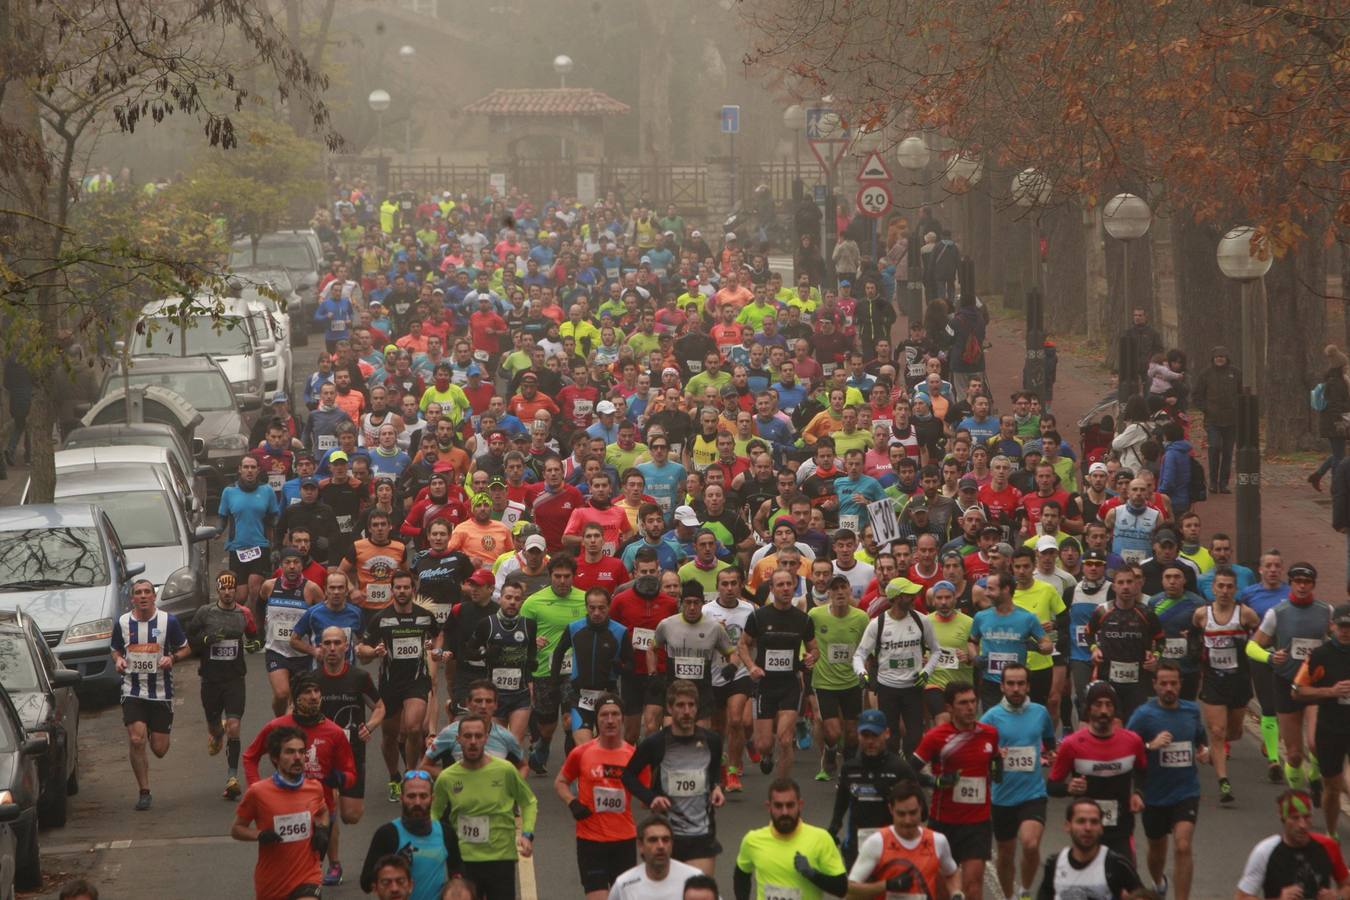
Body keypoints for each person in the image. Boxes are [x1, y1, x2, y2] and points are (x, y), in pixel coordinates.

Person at [242, 672, 358, 886]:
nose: (314, 696)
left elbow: (351, 774)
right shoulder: (278, 726)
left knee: (309, 872)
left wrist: (340, 778)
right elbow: (250, 756)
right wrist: (256, 787)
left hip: (320, 808)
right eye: (307, 692)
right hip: (284, 806)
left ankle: (332, 864)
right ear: (296, 699)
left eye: (317, 691)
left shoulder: (334, 732)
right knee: (287, 867)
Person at [622, 679, 725, 875]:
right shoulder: (656, 743)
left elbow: (712, 773)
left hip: (701, 835)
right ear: (669, 708)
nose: (686, 711)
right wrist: (651, 798)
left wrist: (716, 787)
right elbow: (628, 776)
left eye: (691, 705)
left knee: (699, 894)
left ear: (697, 708)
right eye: (680, 705)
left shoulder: (712, 741)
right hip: (666, 836)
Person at [429, 714, 538, 900]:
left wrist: (527, 834)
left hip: (501, 859)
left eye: (478, 736)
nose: (473, 742)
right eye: (467, 736)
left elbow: (528, 802)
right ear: (458, 740)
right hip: (464, 860)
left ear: (486, 739)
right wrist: (433, 843)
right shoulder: (447, 777)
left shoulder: (505, 770)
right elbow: (434, 812)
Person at [1126, 661, 1208, 900]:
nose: (1169, 688)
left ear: (1180, 684)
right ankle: (1158, 882)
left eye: (1173, 683)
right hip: (1155, 793)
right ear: (1155, 685)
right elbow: (1127, 747)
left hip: (1186, 791)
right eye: (1164, 684)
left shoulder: (1192, 710)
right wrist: (1151, 745)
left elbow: (1200, 739)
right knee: (1157, 849)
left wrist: (1204, 751)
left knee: (1183, 846)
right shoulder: (1143, 715)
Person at [1250, 561, 1333, 793]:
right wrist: (1269, 657)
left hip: (1316, 683)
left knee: (1316, 744)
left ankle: (1315, 774)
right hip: (1286, 683)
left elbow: (1337, 640)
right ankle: (1298, 793)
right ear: (1291, 584)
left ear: (1313, 585)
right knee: (1295, 755)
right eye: (1298, 582)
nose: (1302, 587)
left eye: (1307, 582)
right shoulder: (1277, 613)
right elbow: (1252, 646)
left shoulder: (1326, 611)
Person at [357, 570, 439, 802]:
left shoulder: (425, 617)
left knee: (414, 728)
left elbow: (438, 636)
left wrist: (434, 649)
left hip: (416, 680)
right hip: (390, 683)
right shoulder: (380, 618)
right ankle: (394, 776)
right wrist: (374, 652)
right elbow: (362, 650)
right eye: (398, 588)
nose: (402, 592)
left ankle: (411, 774)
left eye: (406, 587)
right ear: (392, 590)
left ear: (414, 590)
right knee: (390, 735)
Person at [912, 681, 999, 900]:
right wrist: (936, 781)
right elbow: (909, 771)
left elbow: (995, 763)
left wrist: (999, 769)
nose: (970, 707)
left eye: (972, 702)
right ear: (949, 708)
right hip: (944, 822)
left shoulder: (989, 734)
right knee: (941, 887)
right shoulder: (936, 737)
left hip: (978, 822)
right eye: (963, 703)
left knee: (973, 882)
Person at [110, 578, 189, 811]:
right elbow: (115, 649)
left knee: (160, 749)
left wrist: (172, 658)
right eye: (138, 593)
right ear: (132, 598)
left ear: (154, 596)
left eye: (147, 592)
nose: (143, 596)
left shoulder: (168, 621)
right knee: (136, 739)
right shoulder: (123, 623)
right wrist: (119, 660)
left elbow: (186, 648)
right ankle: (144, 791)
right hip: (132, 690)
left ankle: (154, 728)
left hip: (161, 692)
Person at [1048, 681, 1147, 862]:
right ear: (1088, 709)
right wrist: (1069, 788)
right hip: (1086, 832)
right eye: (1098, 704)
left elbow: (1144, 771)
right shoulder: (1072, 745)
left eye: (1108, 705)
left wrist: (1139, 793)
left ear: (1115, 709)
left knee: (1124, 884)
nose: (1103, 710)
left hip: (1121, 829)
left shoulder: (1132, 742)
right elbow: (1051, 786)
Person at [980, 663, 1055, 900]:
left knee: (1030, 843)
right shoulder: (991, 717)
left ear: (1028, 686)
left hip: (1033, 793)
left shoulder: (1040, 712)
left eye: (1020, 683)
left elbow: (1049, 740)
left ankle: (1024, 890)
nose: (1015, 688)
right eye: (1010, 683)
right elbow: (979, 750)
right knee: (1005, 853)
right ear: (1002, 686)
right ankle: (1009, 895)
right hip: (1002, 795)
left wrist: (1051, 754)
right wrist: (994, 754)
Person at [231, 725, 330, 900]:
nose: (297, 757)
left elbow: (323, 812)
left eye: (301, 751)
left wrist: (322, 829)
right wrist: (260, 835)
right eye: (290, 752)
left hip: (308, 876)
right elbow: (237, 829)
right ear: (275, 758)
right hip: (272, 883)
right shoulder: (258, 792)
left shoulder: (314, 788)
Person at [557, 694, 639, 899]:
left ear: (622, 719)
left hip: (624, 840)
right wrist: (572, 802)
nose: (610, 720)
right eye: (604, 715)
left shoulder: (634, 756)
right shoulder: (582, 752)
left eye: (615, 714)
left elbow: (646, 793)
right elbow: (560, 782)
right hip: (590, 841)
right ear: (597, 720)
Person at [741, 568, 819, 778]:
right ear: (772, 589)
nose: (785, 588)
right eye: (780, 585)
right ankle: (765, 753)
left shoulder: (803, 619)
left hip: (790, 684)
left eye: (789, 584)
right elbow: (743, 645)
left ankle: (782, 785)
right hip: (764, 685)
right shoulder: (758, 616)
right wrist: (751, 667)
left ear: (794, 586)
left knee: (785, 740)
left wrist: (812, 657)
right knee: (764, 744)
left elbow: (814, 648)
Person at [187, 571, 257, 801]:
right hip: (210, 679)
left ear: (236, 590)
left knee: (234, 726)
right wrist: (206, 640)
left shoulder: (243, 613)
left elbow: (256, 637)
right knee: (217, 728)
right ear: (217, 590)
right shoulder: (205, 613)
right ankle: (216, 734)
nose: (227, 593)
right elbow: (190, 638)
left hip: (235, 678)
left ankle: (232, 778)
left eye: (231, 588)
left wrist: (254, 645)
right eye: (223, 589)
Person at [854, 577, 939, 756]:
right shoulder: (878, 624)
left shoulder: (921, 621)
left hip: (913, 688)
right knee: (890, 738)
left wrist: (926, 673)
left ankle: (911, 773)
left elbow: (936, 651)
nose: (914, 597)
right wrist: (862, 673)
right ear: (897, 598)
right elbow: (859, 655)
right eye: (909, 594)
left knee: (915, 737)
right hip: (887, 689)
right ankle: (892, 773)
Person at [826, 710, 919, 869]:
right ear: (858, 735)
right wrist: (833, 830)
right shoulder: (849, 768)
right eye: (865, 735)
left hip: (892, 845)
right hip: (856, 847)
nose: (870, 741)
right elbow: (841, 802)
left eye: (875, 736)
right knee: (859, 892)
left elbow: (920, 809)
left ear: (887, 734)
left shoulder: (900, 769)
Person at [846, 780, 963, 900]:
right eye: (901, 814)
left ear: (921, 808)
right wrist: (886, 885)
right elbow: (850, 889)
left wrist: (956, 894)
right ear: (891, 810)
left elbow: (952, 873)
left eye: (913, 813)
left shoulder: (938, 841)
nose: (908, 820)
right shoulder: (877, 842)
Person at [734, 778, 847, 900]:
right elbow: (741, 876)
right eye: (778, 806)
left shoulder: (821, 838)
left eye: (790, 805)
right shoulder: (753, 840)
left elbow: (841, 888)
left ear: (800, 805)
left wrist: (812, 874)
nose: (785, 812)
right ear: (769, 807)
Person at [1292, 603, 1350, 838]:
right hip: (1330, 728)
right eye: (1342, 626)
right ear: (1332, 626)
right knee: (1332, 786)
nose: (1346, 631)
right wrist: (1330, 692)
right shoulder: (1319, 656)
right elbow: (1297, 691)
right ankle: (1331, 831)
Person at [807, 574, 869, 779]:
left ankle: (848, 771)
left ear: (850, 590)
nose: (840, 592)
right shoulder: (816, 615)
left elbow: (865, 648)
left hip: (851, 682)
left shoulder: (861, 617)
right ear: (829, 593)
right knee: (833, 732)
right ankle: (831, 753)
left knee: (852, 734)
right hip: (825, 682)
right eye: (835, 589)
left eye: (843, 588)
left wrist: (866, 673)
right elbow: (806, 641)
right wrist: (808, 657)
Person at [359, 771, 457, 900]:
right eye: (411, 796)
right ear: (401, 798)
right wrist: (394, 862)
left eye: (423, 796)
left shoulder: (446, 832)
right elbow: (366, 883)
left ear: (432, 799)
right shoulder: (387, 834)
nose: (417, 802)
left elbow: (458, 876)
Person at [1236, 790, 1350, 900]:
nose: (1302, 825)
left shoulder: (1328, 845)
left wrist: (1337, 897)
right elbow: (1242, 897)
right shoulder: (1265, 851)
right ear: (1283, 819)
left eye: (1307, 817)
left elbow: (1346, 886)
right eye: (1295, 818)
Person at [1036, 799, 1142, 900]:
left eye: (1094, 822)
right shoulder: (1054, 864)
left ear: (1101, 828)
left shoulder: (1117, 865)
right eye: (1081, 821)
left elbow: (1145, 896)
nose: (1088, 828)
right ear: (1067, 826)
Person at [260, 548, 324, 716]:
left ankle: (290, 726)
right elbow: (260, 604)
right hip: (276, 651)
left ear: (302, 566)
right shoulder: (269, 586)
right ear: (281, 565)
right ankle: (279, 721)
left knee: (299, 701)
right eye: (287, 562)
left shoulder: (312, 589)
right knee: (282, 694)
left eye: (296, 562)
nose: (292, 566)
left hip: (302, 654)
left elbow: (323, 615)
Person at [219, 455, 281, 619]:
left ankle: (254, 627)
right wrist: (217, 531)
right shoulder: (229, 492)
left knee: (255, 589)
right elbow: (223, 517)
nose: (249, 471)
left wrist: (272, 525)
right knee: (240, 595)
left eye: (253, 467)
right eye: (246, 467)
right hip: (237, 547)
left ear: (258, 470)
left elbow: (275, 515)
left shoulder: (266, 490)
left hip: (260, 546)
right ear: (240, 469)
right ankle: (237, 623)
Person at [608, 816, 705, 900]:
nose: (661, 846)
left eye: (666, 840)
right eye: (653, 840)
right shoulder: (623, 884)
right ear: (640, 845)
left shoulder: (694, 878)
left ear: (672, 844)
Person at [1192, 345, 1241, 494]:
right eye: (1217, 356)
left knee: (1227, 452)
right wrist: (1205, 408)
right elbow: (1197, 395)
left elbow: (1242, 392)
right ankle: (1212, 482)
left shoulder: (1236, 373)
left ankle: (1223, 483)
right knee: (1214, 447)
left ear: (1227, 358)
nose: (1219, 359)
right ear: (1213, 358)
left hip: (1232, 420)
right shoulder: (1205, 374)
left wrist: (1237, 408)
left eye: (1222, 356)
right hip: (1212, 420)